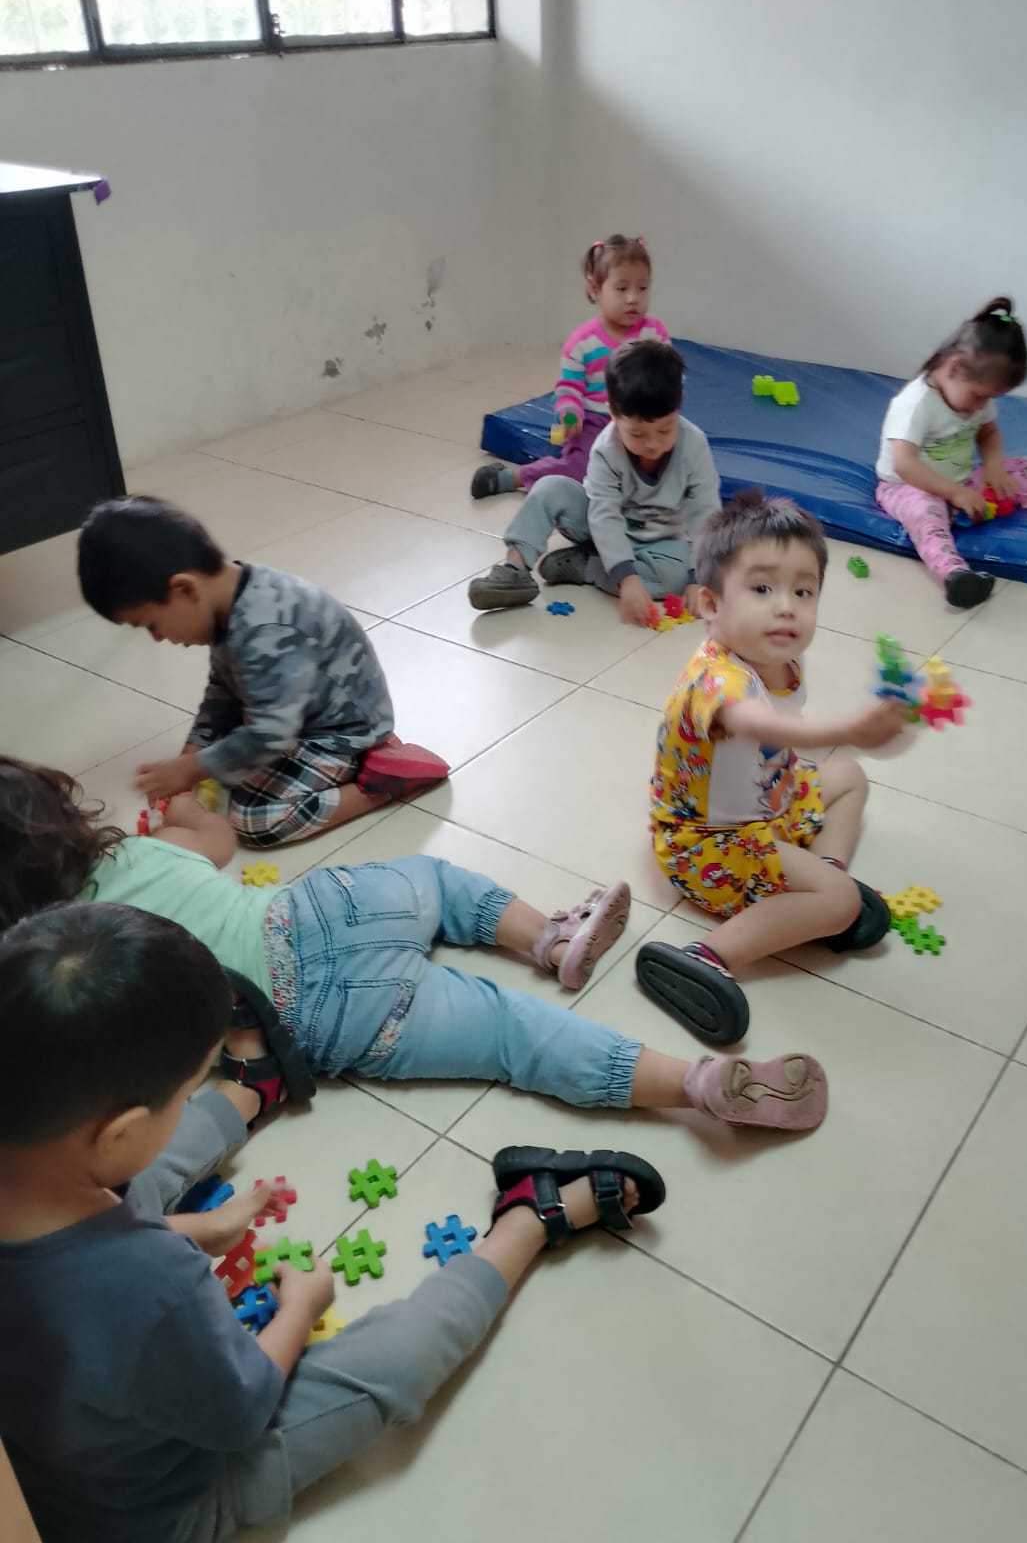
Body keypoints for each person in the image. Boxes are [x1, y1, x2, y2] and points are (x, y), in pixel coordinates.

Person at [0, 901, 669, 1543]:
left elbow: (74, 1273)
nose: (180, 1102)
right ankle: (528, 1214)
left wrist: (200, 1229)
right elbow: (243, 1407)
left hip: (55, 1450)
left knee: (134, 1176)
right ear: (119, 1132)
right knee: (391, 1368)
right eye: (183, 1094)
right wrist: (302, 1305)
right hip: (162, 1508)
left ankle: (251, 1090)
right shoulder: (155, 1282)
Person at [0, 755, 830, 1133]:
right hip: (314, 914)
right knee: (435, 882)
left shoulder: (55, 981)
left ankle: (699, 1085)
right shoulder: (139, 853)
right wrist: (187, 810)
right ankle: (549, 936)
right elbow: (216, 839)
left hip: (308, 1019)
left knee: (511, 1035)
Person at [636, 492, 907, 1046]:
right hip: (709, 844)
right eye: (762, 589)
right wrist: (849, 728)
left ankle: (819, 879)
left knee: (850, 777)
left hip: (769, 805)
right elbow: (762, 725)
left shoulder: (778, 657)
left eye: (803, 591)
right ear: (710, 604)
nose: (787, 607)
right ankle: (708, 957)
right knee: (842, 902)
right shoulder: (716, 680)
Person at [76, 496, 449, 849]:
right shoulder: (231, 596)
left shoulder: (266, 630)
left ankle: (382, 783)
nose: (158, 638)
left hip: (341, 731)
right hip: (295, 711)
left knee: (255, 822)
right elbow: (223, 690)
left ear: (185, 589)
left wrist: (192, 768)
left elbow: (271, 733)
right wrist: (190, 757)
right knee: (228, 761)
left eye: (151, 625)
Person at [468, 339, 721, 625]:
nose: (652, 444)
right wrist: (627, 578)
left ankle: (587, 566)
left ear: (680, 402)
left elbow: (706, 514)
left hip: (660, 540)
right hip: (597, 525)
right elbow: (603, 514)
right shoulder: (606, 448)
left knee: (673, 578)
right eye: (637, 434)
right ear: (612, 412)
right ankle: (515, 569)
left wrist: (698, 578)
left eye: (665, 430)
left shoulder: (694, 445)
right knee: (549, 487)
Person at [875, 296, 1027, 608]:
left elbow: (989, 433)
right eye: (978, 396)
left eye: (990, 398)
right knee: (926, 516)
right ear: (955, 368)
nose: (982, 406)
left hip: (960, 483)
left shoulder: (975, 398)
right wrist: (953, 493)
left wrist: (994, 469)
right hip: (908, 486)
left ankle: (960, 509)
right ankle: (954, 575)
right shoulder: (916, 404)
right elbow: (903, 463)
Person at [470, 233, 670, 498]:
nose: (633, 298)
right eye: (622, 289)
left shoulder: (654, 334)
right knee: (579, 469)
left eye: (642, 288)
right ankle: (512, 478)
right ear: (594, 288)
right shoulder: (583, 343)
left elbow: (669, 377)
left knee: (667, 460)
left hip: (643, 421)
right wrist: (570, 413)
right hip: (595, 422)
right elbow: (568, 388)